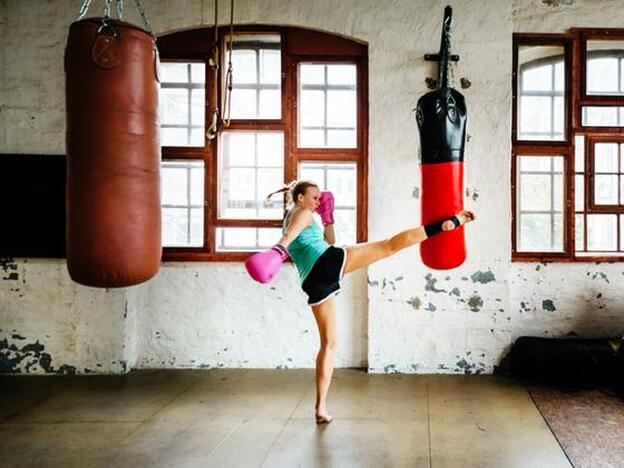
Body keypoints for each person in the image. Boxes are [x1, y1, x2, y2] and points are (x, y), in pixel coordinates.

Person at [246, 180, 475, 424]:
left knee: (329, 344)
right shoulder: (302, 212)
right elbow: (290, 236)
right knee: (388, 246)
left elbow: (329, 241)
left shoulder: (298, 215)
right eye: (314, 197)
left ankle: (321, 407)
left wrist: (328, 218)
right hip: (325, 263)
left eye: (319, 198)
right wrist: (279, 250)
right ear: (300, 197)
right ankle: (446, 224)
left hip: (313, 281)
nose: (318, 201)